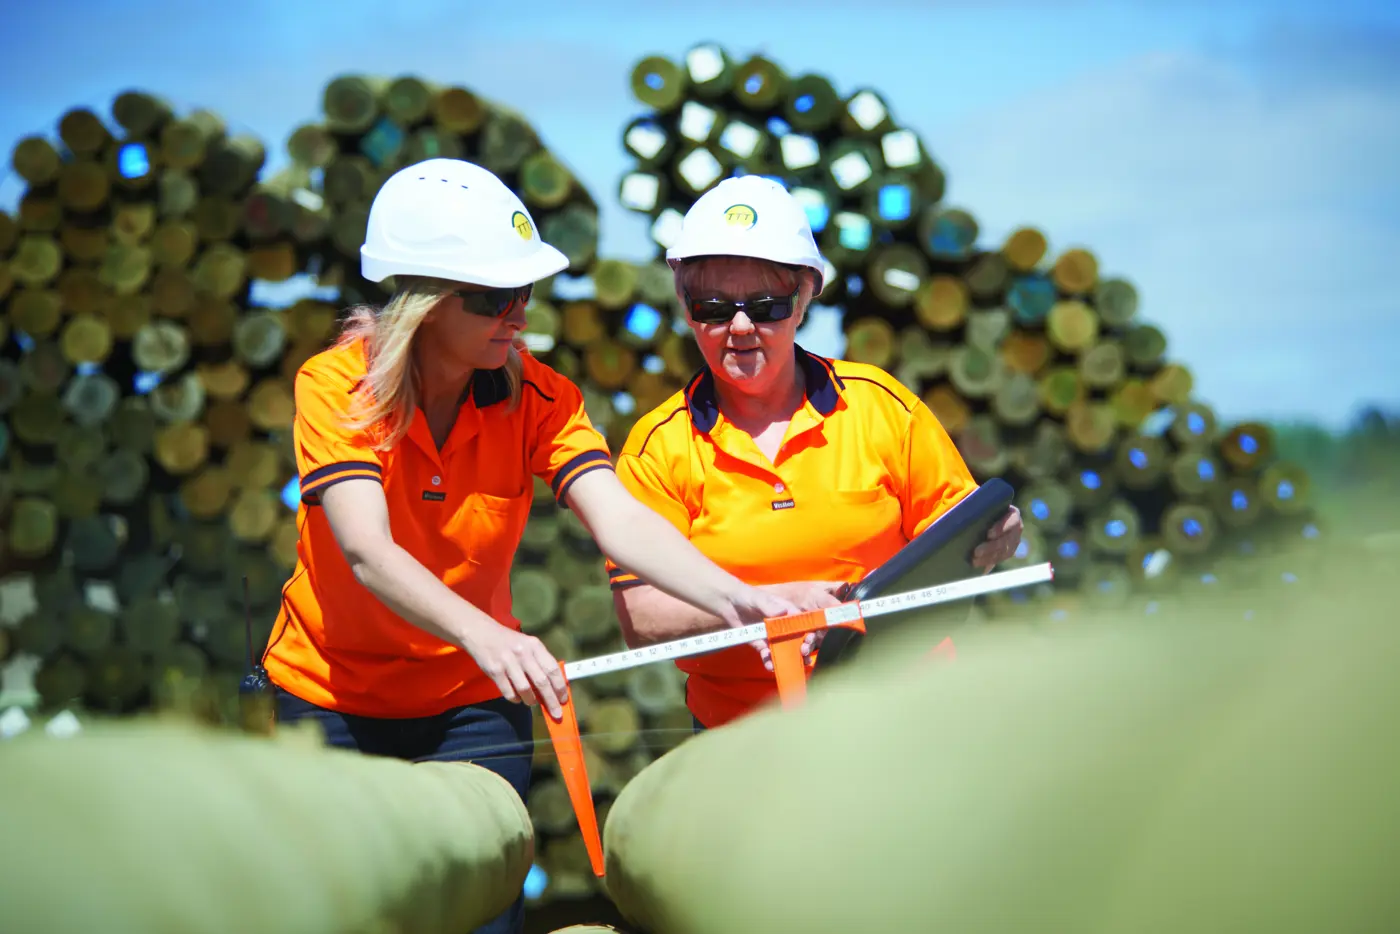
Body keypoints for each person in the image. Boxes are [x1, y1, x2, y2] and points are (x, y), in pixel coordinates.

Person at [259, 159, 823, 934]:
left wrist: (741, 598)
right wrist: (488, 634)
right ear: (423, 301)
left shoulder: (542, 398)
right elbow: (366, 550)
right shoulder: (336, 387)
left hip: (471, 711)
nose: (519, 315)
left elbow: (621, 521)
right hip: (327, 704)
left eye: (525, 294)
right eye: (495, 298)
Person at [605, 175, 1024, 733]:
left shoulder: (881, 407)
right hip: (748, 744)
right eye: (713, 306)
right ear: (685, 307)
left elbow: (957, 536)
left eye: (767, 306)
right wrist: (768, 607)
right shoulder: (659, 449)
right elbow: (644, 617)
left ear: (805, 298)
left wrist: (998, 536)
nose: (740, 327)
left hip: (912, 718)